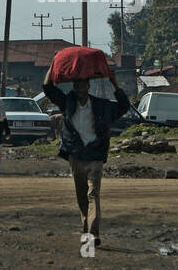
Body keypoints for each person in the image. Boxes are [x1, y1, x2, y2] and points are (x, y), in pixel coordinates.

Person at [42, 66, 130, 246]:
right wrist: (54, 65)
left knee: (93, 195)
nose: (81, 90)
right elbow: (48, 88)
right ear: (74, 88)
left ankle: (93, 234)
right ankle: (86, 230)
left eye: (84, 87)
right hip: (76, 156)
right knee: (82, 197)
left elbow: (123, 106)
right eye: (78, 87)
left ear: (88, 87)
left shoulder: (101, 105)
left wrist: (114, 83)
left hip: (95, 155)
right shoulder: (68, 103)